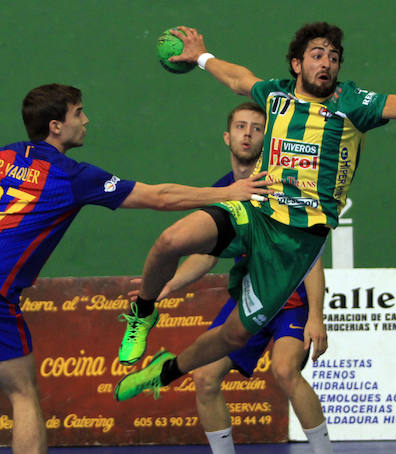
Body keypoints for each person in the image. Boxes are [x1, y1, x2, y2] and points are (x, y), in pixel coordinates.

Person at [0, 83, 269, 454]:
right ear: (56, 127)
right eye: (78, 113)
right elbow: (158, 196)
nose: (87, 120)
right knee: (23, 395)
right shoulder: (69, 174)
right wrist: (227, 192)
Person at [113, 22, 396, 404]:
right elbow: (238, 78)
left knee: (235, 335)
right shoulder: (275, 94)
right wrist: (202, 57)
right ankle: (143, 313)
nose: (326, 63)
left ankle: (165, 372)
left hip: (297, 240)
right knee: (171, 239)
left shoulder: (354, 104)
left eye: (334, 57)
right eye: (317, 54)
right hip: (256, 208)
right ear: (297, 64)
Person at [127, 102, 331, 454]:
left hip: (290, 302)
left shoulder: (282, 185)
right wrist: (170, 285)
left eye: (256, 127)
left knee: (284, 370)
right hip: (248, 301)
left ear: (268, 139)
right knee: (204, 378)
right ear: (227, 136)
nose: (248, 133)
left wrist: (317, 315)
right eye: (240, 126)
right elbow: (205, 256)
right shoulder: (222, 191)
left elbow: (310, 257)